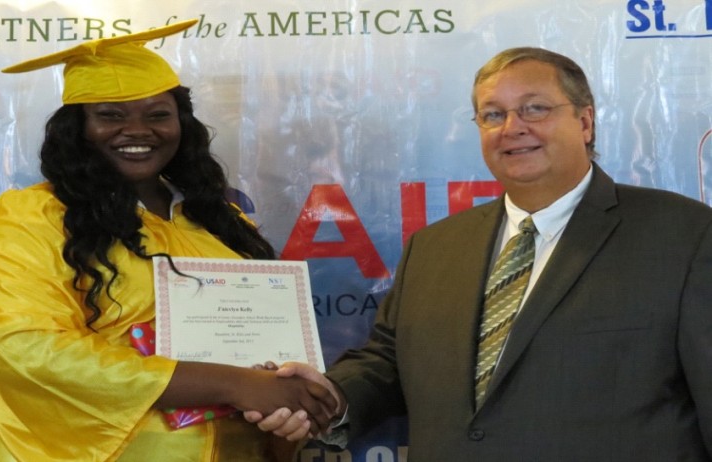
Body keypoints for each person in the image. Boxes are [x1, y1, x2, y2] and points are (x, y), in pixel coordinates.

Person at [246, 47, 712, 461]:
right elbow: (388, 363)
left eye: (535, 108)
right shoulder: (435, 246)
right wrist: (326, 395)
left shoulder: (685, 234)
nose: (513, 128)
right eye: (492, 115)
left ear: (585, 121)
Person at [0, 19, 335, 462]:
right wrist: (233, 383)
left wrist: (286, 406)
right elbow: (25, 348)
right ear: (77, 129)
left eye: (158, 114)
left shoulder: (221, 221)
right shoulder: (30, 218)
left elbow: (268, 359)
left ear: (181, 124)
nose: (137, 130)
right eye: (110, 115)